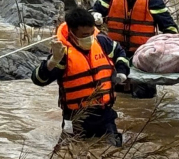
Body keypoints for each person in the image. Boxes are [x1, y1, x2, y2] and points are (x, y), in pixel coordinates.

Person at [31, 8, 130, 147]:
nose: (89, 38)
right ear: (72, 32)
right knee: (67, 153)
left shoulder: (102, 42)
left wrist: (121, 71)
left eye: (91, 33)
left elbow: (120, 52)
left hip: (104, 114)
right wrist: (52, 62)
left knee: (113, 151)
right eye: (84, 35)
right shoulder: (62, 54)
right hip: (75, 118)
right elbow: (38, 80)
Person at [90, 0, 178, 98]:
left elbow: (170, 29)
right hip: (115, 55)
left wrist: (161, 48)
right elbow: (93, 11)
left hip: (143, 57)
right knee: (113, 95)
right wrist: (95, 15)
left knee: (144, 99)